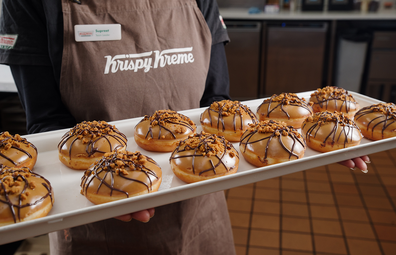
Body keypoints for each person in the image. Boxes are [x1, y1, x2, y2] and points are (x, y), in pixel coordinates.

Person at [0, 0, 369, 254]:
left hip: (201, 195)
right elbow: (46, 126)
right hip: (95, 213)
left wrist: (305, 141)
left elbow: (217, 104)